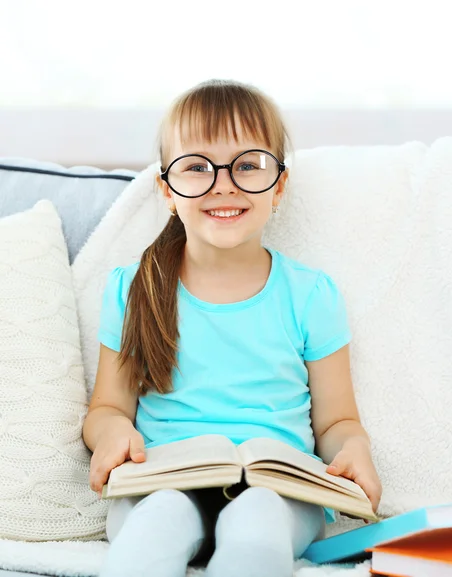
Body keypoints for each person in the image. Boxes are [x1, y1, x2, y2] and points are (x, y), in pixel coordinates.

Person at [82, 79, 382, 577]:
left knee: (256, 522)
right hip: (159, 483)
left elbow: (336, 422)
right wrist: (112, 433)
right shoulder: (132, 288)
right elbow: (108, 407)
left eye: (248, 165)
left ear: (279, 186)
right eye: (197, 167)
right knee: (161, 518)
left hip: (279, 491)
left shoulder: (311, 296)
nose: (224, 184)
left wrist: (354, 450)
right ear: (168, 191)